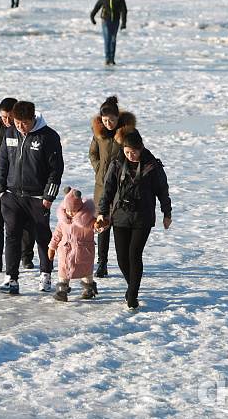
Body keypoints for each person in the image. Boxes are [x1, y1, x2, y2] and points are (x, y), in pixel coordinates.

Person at [96, 130, 172, 311]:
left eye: (134, 152)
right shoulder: (116, 164)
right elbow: (107, 190)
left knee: (134, 254)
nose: (130, 155)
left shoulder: (153, 166)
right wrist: (102, 212)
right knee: (122, 258)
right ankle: (132, 286)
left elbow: (163, 191)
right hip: (121, 215)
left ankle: (132, 295)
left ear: (141, 148)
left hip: (142, 216)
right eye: (127, 152)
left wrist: (166, 213)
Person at [0, 101, 64, 295]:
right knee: (12, 236)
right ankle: (11, 279)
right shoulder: (10, 133)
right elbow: (3, 161)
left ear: (33, 119)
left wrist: (49, 196)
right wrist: (1, 189)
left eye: (24, 123)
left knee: (42, 237)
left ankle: (45, 275)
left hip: (37, 197)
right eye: (17, 122)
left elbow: (56, 170)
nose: (19, 126)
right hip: (12, 196)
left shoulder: (48, 136)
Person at [0, 97, 37, 273]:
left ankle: (26, 256)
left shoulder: (21, 130)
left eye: (9, 117)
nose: (6, 121)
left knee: (25, 222)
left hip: (19, 185)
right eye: (3, 117)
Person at [88, 96, 136, 278]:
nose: (108, 123)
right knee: (102, 222)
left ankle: (126, 261)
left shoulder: (127, 134)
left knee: (120, 223)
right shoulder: (98, 134)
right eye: (105, 120)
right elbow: (92, 153)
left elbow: (135, 154)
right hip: (101, 186)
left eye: (112, 120)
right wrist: (99, 168)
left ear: (118, 118)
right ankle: (102, 263)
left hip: (121, 186)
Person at [49, 188, 98, 302]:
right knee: (63, 270)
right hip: (65, 251)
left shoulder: (88, 219)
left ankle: (89, 288)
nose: (70, 213)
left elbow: (97, 228)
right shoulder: (63, 220)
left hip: (84, 252)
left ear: (80, 208)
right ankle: (62, 291)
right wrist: (52, 246)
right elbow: (57, 233)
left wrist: (100, 224)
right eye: (68, 210)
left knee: (86, 271)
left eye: (73, 211)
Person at [90, 0, 127, 66]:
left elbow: (124, 10)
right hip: (105, 20)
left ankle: (112, 59)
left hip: (115, 21)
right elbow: (97, 7)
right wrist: (92, 16)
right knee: (108, 39)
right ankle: (107, 59)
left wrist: (123, 22)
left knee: (113, 40)